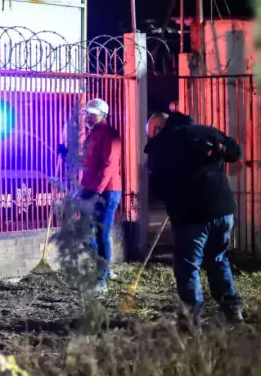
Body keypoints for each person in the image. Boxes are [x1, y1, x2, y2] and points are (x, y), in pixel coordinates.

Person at [145, 111, 244, 326]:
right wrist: (219, 151)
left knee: (188, 265)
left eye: (152, 132)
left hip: (192, 214)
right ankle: (232, 309)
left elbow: (158, 184)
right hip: (222, 209)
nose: (151, 137)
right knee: (217, 259)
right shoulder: (205, 131)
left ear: (158, 128)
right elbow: (235, 152)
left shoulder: (162, 146)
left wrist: (171, 200)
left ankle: (192, 317)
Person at [78, 98, 122, 292]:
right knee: (86, 233)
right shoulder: (93, 134)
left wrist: (97, 191)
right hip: (90, 189)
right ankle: (103, 267)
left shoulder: (109, 135)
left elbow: (109, 166)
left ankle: (102, 277)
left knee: (102, 234)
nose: (87, 116)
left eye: (91, 113)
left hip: (106, 191)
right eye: (87, 113)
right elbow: (88, 161)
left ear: (102, 114)